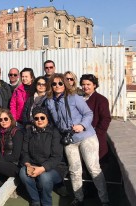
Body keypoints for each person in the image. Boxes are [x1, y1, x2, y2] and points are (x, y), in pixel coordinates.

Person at [45, 73, 110, 206]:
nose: (57, 86)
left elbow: (88, 113)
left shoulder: (74, 97)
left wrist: (82, 125)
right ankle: (78, 198)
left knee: (94, 169)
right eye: (54, 84)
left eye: (60, 83)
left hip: (86, 136)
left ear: (65, 84)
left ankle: (104, 200)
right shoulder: (49, 101)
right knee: (74, 170)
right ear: (51, 86)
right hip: (68, 139)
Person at [19, 106, 65, 206]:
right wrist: (27, 164)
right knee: (23, 173)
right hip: (34, 164)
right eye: (36, 118)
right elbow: (24, 152)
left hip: (55, 167)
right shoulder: (29, 132)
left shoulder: (54, 132)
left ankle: (46, 203)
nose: (39, 120)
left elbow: (57, 156)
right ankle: (35, 200)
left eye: (42, 117)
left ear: (47, 118)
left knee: (45, 177)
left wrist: (42, 168)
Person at [0, 109, 23, 194]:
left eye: (5, 119)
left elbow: (16, 156)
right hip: (4, 161)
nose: (3, 121)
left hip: (14, 165)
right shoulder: (1, 133)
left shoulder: (17, 133)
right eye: (0, 119)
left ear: (10, 119)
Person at [80, 74, 112, 160]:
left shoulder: (101, 99)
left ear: (94, 85)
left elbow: (106, 119)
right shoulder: (80, 98)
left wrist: (96, 134)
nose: (85, 87)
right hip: (81, 138)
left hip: (95, 139)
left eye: (88, 84)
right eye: (83, 84)